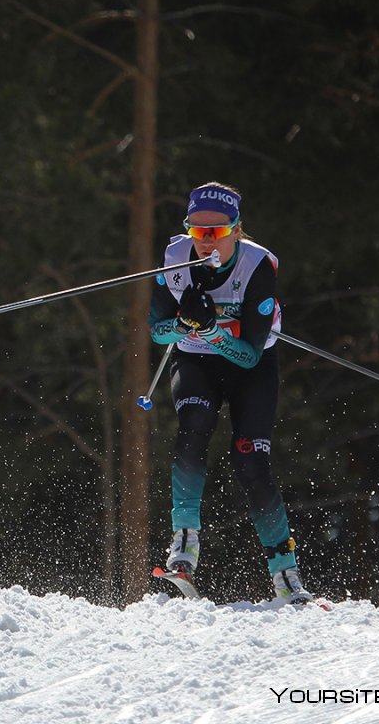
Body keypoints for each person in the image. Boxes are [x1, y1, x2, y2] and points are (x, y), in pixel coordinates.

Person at [149, 182, 314, 604]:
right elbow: (157, 330)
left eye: (216, 233)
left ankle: (285, 574)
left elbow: (248, 355)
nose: (206, 243)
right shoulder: (173, 259)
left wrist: (210, 330)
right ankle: (184, 542)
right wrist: (185, 327)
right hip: (195, 363)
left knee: (251, 463)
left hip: (250, 368)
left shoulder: (258, 266)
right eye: (197, 232)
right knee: (194, 424)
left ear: (237, 231)